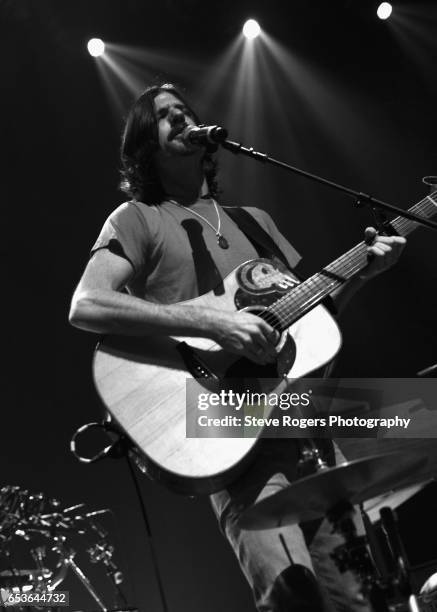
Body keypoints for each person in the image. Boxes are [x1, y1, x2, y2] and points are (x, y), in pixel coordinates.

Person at [69, 83, 406, 612]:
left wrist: (367, 269)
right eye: (164, 117)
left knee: (360, 601)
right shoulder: (136, 218)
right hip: (228, 430)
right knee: (294, 602)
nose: (181, 118)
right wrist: (213, 324)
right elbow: (87, 305)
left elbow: (308, 315)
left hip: (304, 424)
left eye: (186, 111)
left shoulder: (256, 221)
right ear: (145, 144)